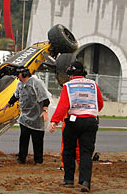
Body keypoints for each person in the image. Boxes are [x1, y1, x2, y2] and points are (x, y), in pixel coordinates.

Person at [49, 61, 104, 193]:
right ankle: (85, 181)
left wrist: (54, 121)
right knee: (86, 152)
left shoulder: (68, 86)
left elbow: (63, 106)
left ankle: (68, 179)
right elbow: (100, 104)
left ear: (71, 74)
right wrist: (90, 112)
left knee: (68, 150)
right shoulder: (93, 84)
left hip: (73, 121)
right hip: (91, 121)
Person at [1, 66, 51, 164]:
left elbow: (45, 99)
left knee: (37, 140)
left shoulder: (35, 83)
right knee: (23, 138)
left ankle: (38, 160)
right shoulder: (20, 84)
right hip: (25, 116)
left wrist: (44, 111)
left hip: (37, 116)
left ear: (23, 74)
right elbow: (16, 95)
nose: (17, 77)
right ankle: (21, 157)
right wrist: (7, 105)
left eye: (18, 75)